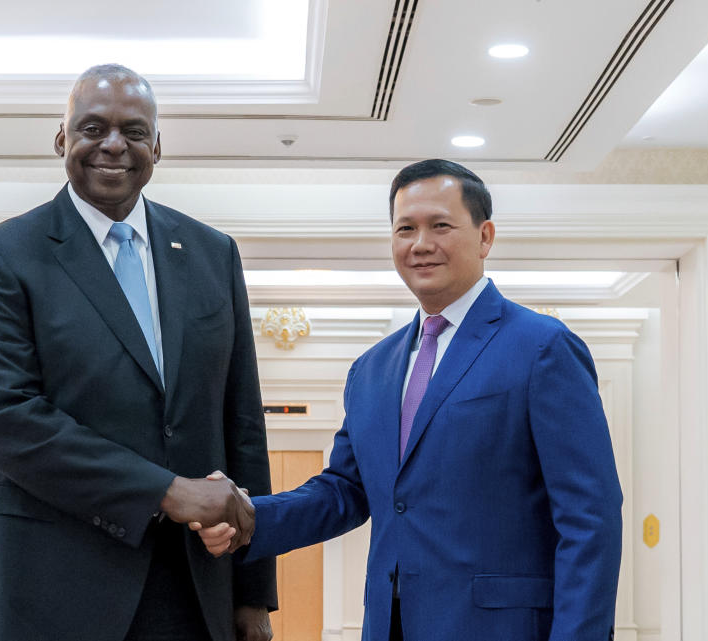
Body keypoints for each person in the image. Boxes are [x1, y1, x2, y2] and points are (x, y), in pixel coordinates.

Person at [194, 159, 623, 641]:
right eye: (405, 229)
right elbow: (345, 491)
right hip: (389, 625)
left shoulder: (543, 348)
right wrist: (250, 517)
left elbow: (590, 518)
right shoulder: (371, 369)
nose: (421, 244)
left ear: (485, 237)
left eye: (440, 225)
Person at [0, 63, 275, 641]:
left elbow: (242, 422)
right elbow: (4, 422)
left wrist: (254, 594)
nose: (113, 145)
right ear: (62, 139)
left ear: (157, 145)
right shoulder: (4, 256)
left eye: (133, 131)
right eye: (93, 127)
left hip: (193, 586)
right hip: (51, 584)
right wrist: (166, 490)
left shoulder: (212, 254)